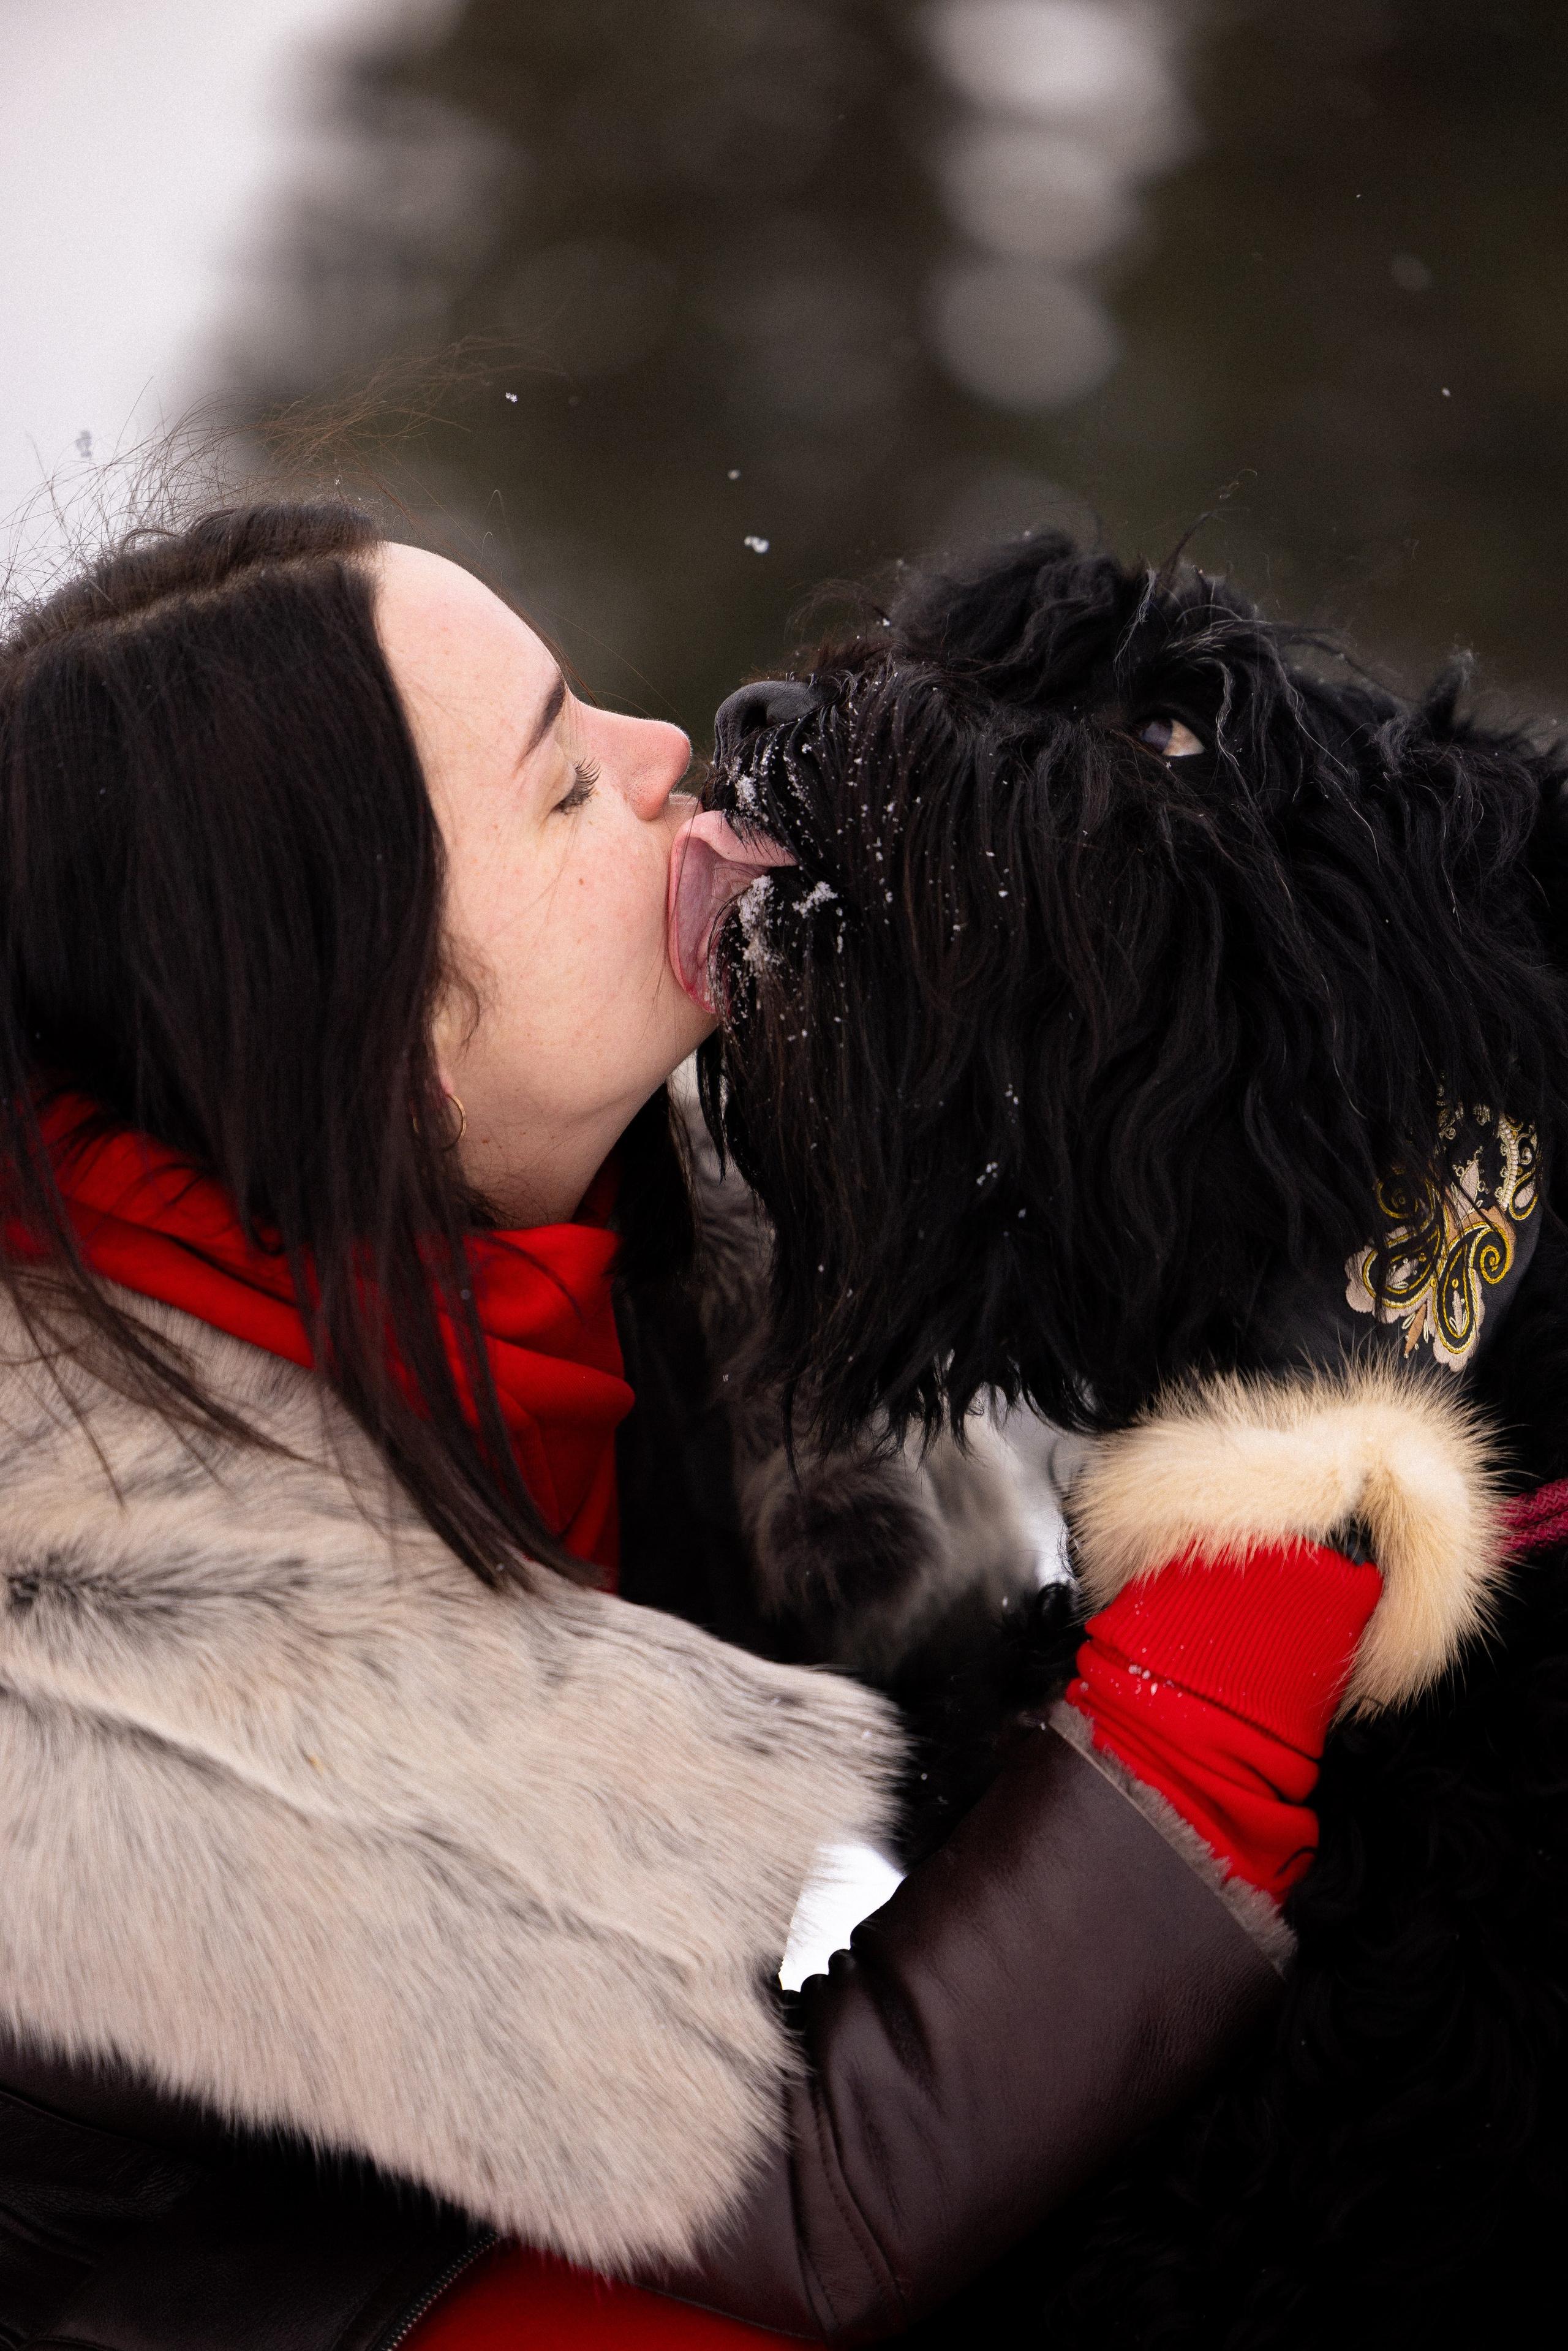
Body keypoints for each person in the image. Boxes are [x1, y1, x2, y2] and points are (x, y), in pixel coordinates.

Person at [0, 502, 1433, 2349]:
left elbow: (940, 1663)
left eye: (589, 700)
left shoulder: (617, 1237)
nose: (668, 751)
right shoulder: (124, 1674)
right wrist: (1266, 1563)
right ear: (378, 1029)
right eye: (562, 785)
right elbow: (811, 2206)